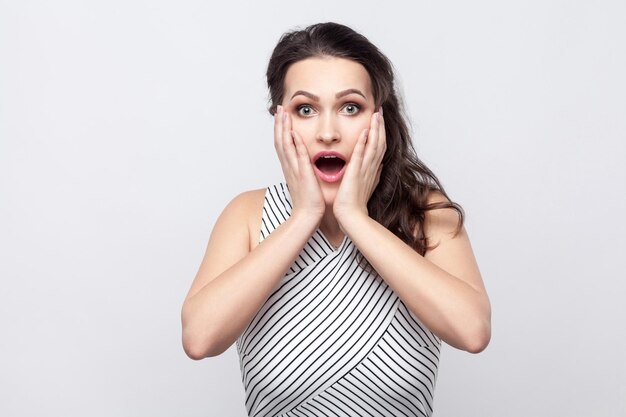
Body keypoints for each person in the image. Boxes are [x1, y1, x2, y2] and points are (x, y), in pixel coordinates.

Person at [181, 22, 491, 417]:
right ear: (280, 120)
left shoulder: (423, 213)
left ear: (379, 118)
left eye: (350, 107)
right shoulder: (248, 215)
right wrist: (303, 216)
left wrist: (355, 217)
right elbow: (199, 339)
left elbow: (473, 331)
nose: (328, 132)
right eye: (305, 109)